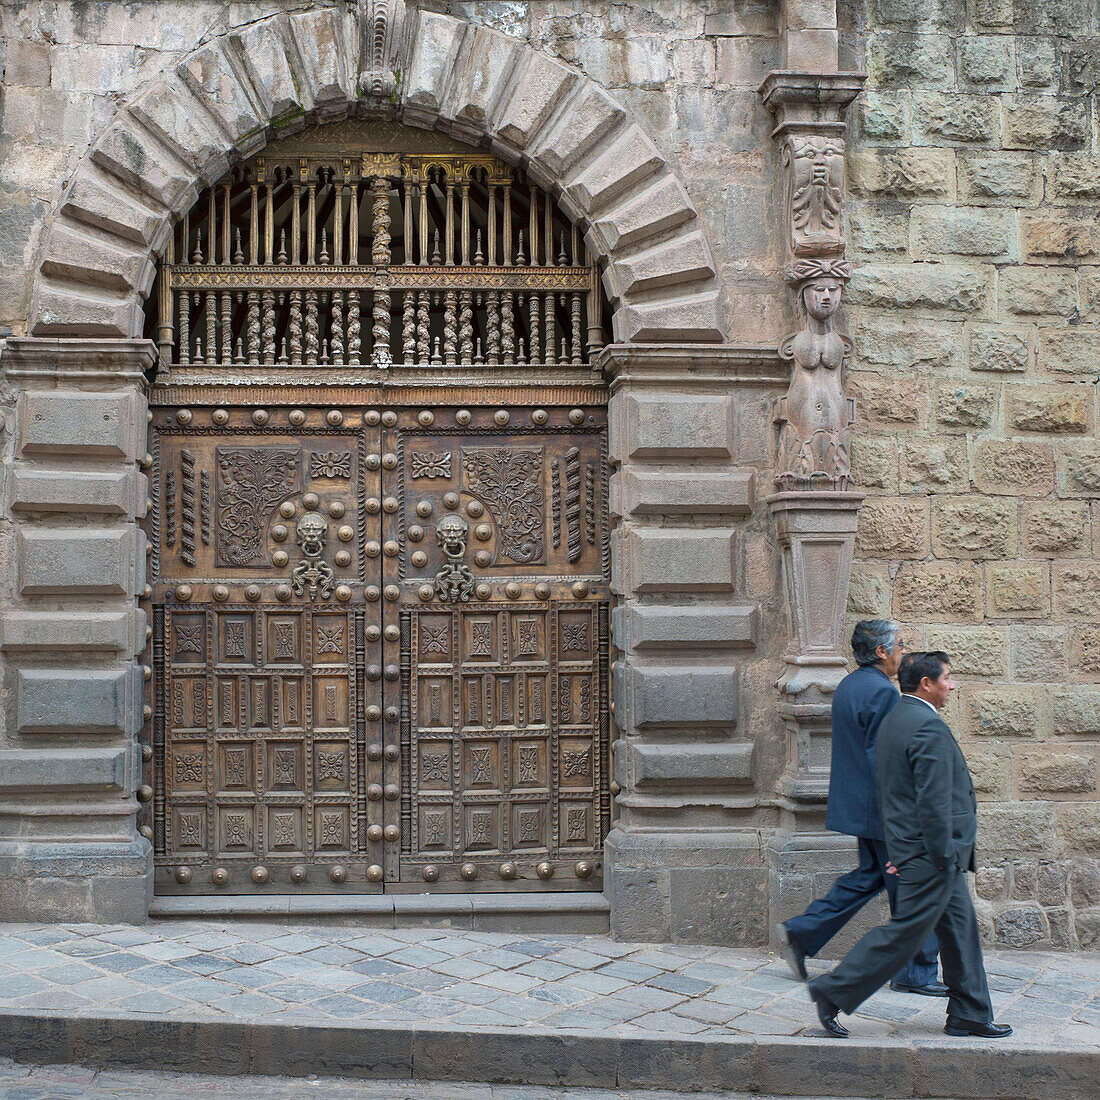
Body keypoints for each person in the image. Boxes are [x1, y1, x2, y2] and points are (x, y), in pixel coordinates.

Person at [805, 652, 1012, 1040]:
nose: (952, 685)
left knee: (960, 931)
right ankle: (832, 992)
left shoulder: (896, 719)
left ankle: (969, 1012)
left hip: (921, 851)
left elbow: (891, 794)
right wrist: (933, 856)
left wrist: (901, 851)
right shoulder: (925, 727)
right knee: (905, 935)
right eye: (947, 678)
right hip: (935, 855)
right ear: (926, 684)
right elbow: (931, 803)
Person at [776, 620, 943, 996]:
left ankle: (801, 934)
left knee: (869, 877)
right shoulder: (883, 693)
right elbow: (886, 756)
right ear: (881, 652)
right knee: (915, 886)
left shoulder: (851, 685)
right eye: (899, 645)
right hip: (884, 809)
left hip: (862, 807)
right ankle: (916, 973)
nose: (904, 652)